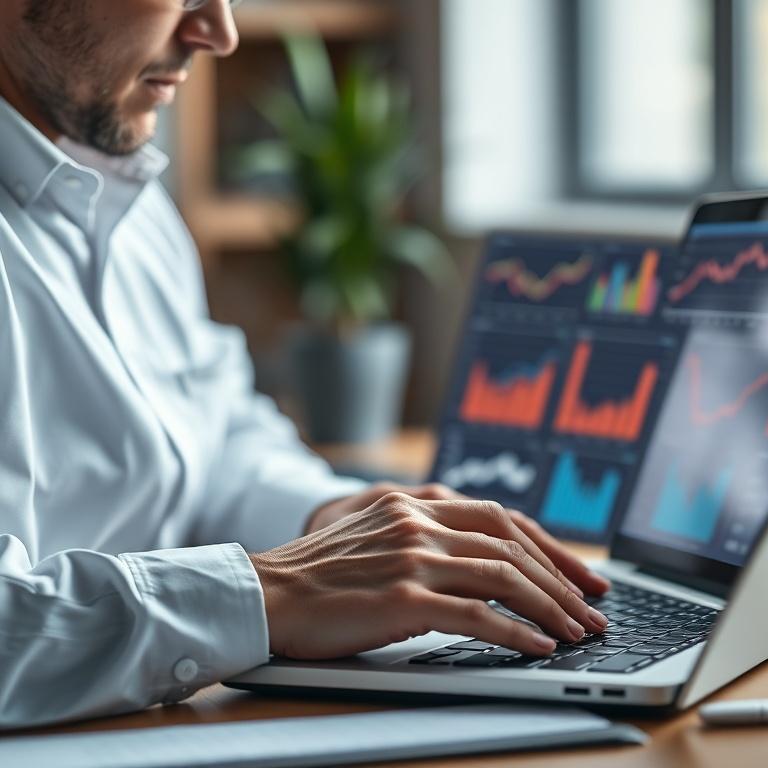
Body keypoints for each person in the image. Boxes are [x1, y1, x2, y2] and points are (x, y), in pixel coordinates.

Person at [0, 0, 609, 729]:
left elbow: (215, 435)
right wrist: (268, 593)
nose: (216, 32)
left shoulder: (124, 200)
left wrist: (334, 521)